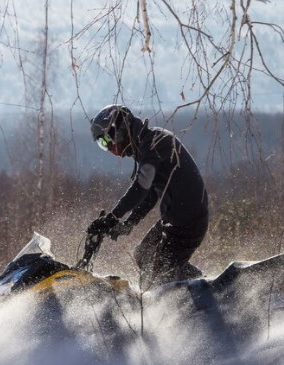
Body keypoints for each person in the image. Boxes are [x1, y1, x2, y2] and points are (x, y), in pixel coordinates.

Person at [85, 104, 209, 287]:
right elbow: (150, 196)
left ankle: (201, 289)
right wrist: (129, 224)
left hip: (188, 222)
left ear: (119, 131)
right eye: (103, 145)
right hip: (173, 221)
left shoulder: (156, 143)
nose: (109, 149)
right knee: (143, 254)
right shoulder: (146, 145)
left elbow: (141, 186)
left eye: (107, 141)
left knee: (159, 277)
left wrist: (113, 217)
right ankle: (199, 283)